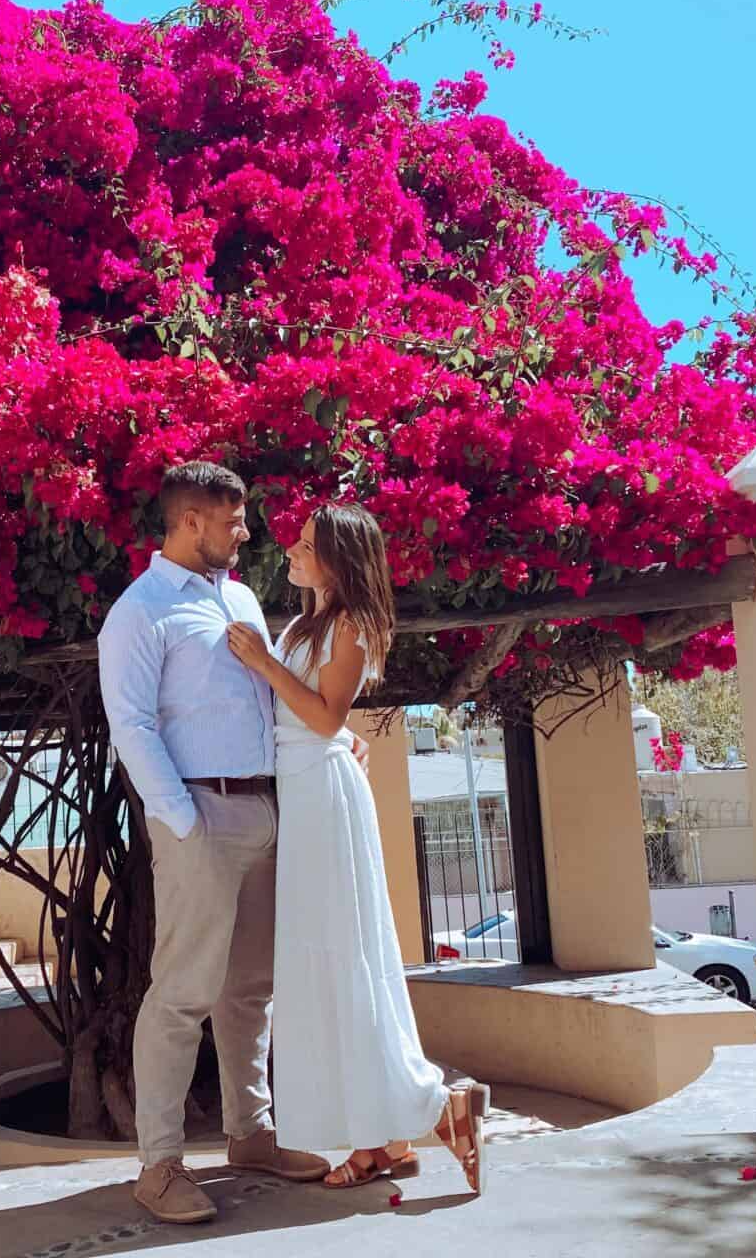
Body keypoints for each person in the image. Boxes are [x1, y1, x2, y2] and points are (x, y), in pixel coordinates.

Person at [97, 462, 335, 1225]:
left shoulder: (237, 599)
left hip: (265, 809)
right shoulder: (140, 611)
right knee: (182, 995)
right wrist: (180, 818)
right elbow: (130, 723)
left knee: (249, 988)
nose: (246, 531)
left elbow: (266, 702)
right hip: (200, 815)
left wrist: (334, 749)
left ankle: (250, 1135)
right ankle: (158, 1165)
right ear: (191, 520)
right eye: (233, 520)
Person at [226, 502, 488, 1193]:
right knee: (327, 964)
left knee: (342, 960)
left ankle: (430, 1112)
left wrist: (262, 664)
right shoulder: (310, 622)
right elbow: (320, 724)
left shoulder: (350, 625)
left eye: (307, 543)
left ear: (337, 559)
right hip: (308, 792)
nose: (292, 548)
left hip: (324, 802)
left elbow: (323, 716)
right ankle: (384, 1138)